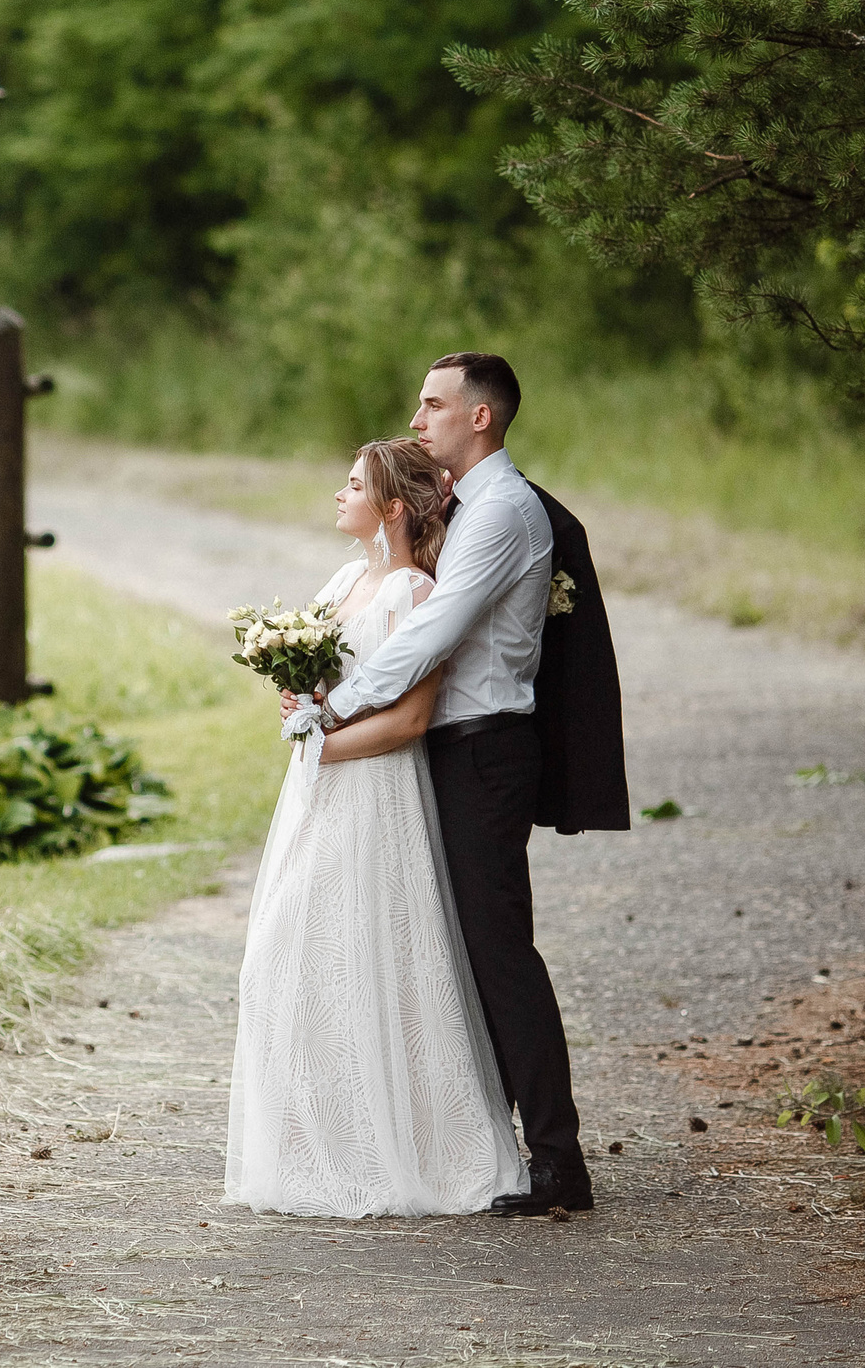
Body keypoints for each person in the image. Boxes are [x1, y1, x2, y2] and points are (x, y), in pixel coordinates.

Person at [282, 352, 625, 1216]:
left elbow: (436, 628)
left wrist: (335, 705)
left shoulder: (503, 510)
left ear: (481, 417)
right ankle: (472, 1133)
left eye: (434, 404)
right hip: (446, 748)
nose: (419, 415)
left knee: (497, 952)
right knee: (450, 953)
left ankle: (557, 1160)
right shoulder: (464, 508)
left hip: (485, 751)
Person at [225, 437, 528, 1218]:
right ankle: (312, 1140)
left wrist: (322, 744)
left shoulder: (414, 593)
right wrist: (296, 709)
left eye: (354, 484)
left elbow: (411, 719)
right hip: (318, 790)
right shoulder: (342, 580)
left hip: (373, 792)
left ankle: (404, 1144)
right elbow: (316, 693)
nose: (339, 493)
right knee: (285, 960)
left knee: (367, 955)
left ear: (392, 507)